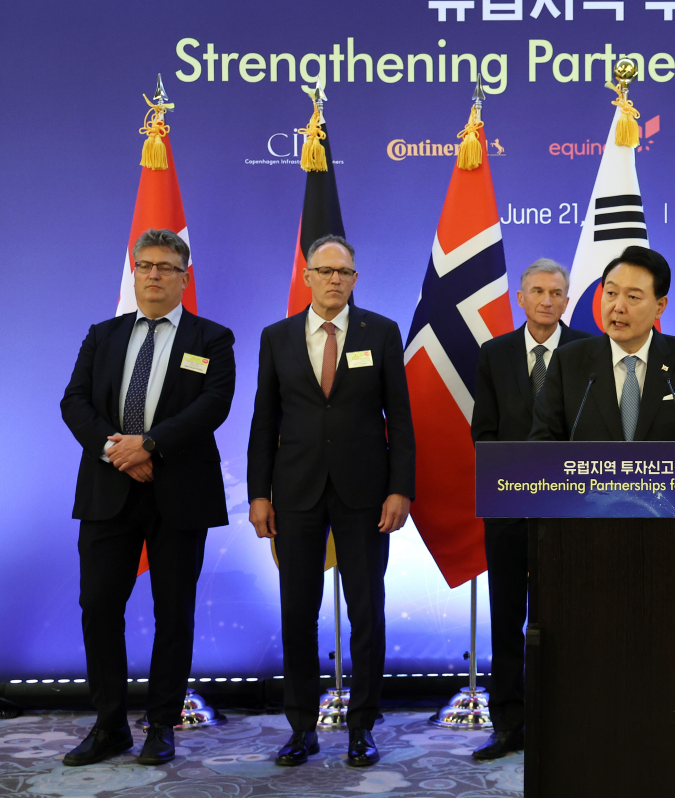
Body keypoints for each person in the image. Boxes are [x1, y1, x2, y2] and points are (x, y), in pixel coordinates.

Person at [60, 229, 235, 766]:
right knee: (98, 608)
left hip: (180, 492)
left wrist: (151, 446)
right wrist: (117, 449)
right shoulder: (103, 335)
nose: (154, 275)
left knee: (174, 612)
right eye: (145, 266)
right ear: (133, 274)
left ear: (186, 277)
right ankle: (110, 724)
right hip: (109, 488)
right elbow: (75, 402)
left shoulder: (212, 338)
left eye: (166, 266)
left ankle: (162, 723)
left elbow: (213, 406)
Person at [247, 234, 415, 767]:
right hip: (294, 493)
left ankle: (362, 726)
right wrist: (258, 494)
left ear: (355, 279)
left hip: (367, 494)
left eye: (344, 272)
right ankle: (301, 728)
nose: (335, 280)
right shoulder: (276, 337)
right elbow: (262, 422)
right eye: (325, 271)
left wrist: (400, 488)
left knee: (367, 611)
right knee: (297, 611)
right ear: (307, 277)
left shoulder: (382, 332)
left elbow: (402, 421)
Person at [469, 258, 591, 760]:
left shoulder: (589, 350)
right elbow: (485, 432)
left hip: (572, 511)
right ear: (520, 298)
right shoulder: (494, 354)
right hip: (508, 510)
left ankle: (566, 720)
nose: (546, 300)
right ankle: (508, 723)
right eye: (537, 291)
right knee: (506, 620)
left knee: (568, 619)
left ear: (567, 300)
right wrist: (516, 482)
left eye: (556, 292)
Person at [529, 245, 675, 443]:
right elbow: (543, 441)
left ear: (659, 307)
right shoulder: (568, 361)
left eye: (633, 297)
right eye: (610, 293)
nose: (618, 307)